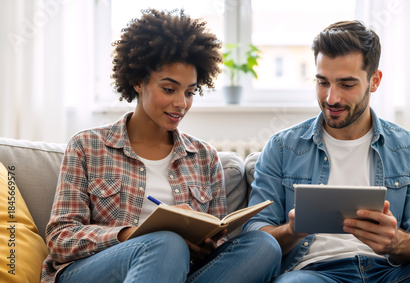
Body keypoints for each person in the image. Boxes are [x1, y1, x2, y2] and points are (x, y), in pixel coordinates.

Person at [242, 20, 410, 282]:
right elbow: (254, 236)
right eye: (323, 82)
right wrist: (292, 230)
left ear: (374, 81)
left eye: (346, 84)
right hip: (314, 274)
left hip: (393, 273)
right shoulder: (282, 148)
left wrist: (395, 242)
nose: (331, 98)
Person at [41, 9, 280, 283]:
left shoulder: (204, 158)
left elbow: (216, 245)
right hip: (93, 272)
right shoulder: (88, 146)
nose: (181, 103)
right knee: (166, 242)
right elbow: (61, 238)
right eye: (169, 89)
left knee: (264, 247)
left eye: (190, 92)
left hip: (177, 272)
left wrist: (204, 244)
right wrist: (135, 233)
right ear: (137, 82)